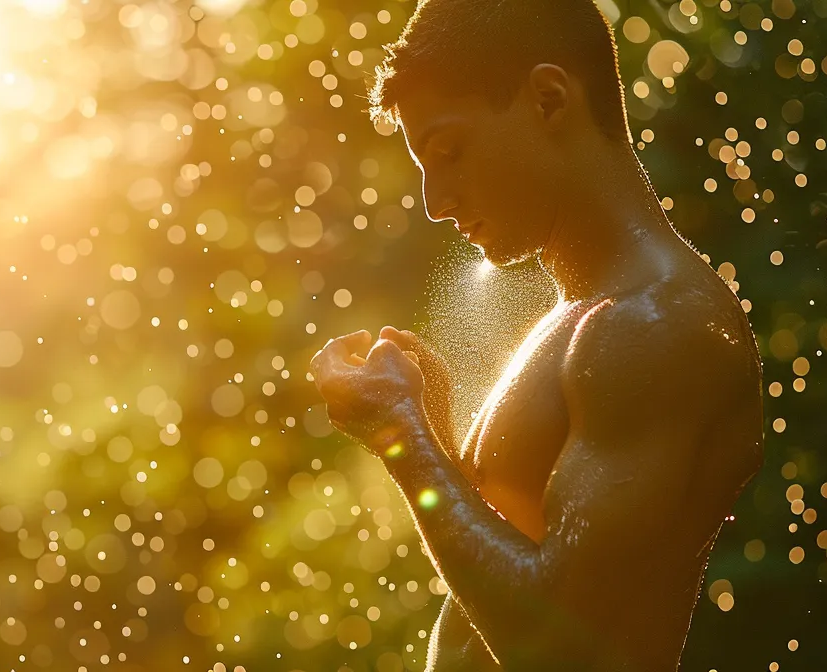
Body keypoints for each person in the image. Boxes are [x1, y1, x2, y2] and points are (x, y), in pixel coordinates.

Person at [308, 0, 765, 668]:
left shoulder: (655, 323)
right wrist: (430, 432)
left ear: (549, 100)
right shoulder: (586, 318)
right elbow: (515, 569)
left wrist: (401, 435)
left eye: (448, 151)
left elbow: (561, 651)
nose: (435, 201)